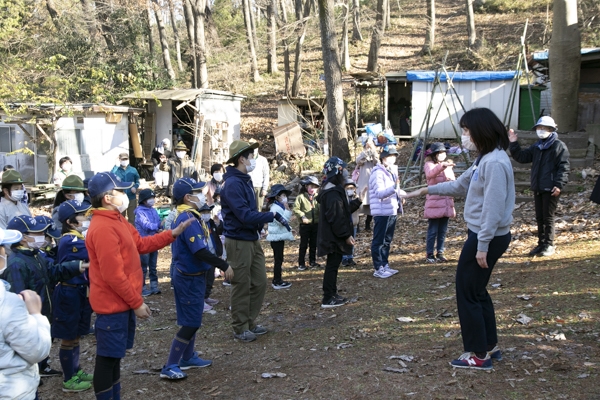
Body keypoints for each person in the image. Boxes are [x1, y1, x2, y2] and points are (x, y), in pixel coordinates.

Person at [402, 107, 514, 370]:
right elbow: (460, 185)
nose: (464, 136)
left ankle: (478, 355)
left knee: (467, 292)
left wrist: (482, 245)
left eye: (466, 131)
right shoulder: (484, 158)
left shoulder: (495, 162)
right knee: (477, 290)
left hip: (486, 236)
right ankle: (489, 345)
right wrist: (424, 191)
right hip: (482, 235)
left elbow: (493, 208)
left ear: (480, 131)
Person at [85, 172, 192, 399]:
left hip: (122, 303)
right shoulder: (103, 228)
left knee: (115, 357)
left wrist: (170, 235)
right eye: (120, 192)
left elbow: (140, 244)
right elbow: (113, 275)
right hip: (112, 305)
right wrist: (137, 303)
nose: (125, 195)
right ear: (107, 197)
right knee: (107, 359)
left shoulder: (118, 219)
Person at [160, 177, 233, 380]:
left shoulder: (191, 215)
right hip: (188, 277)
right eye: (199, 192)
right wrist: (223, 264)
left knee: (193, 319)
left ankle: (188, 357)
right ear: (188, 197)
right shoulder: (187, 219)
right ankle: (171, 364)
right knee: (190, 322)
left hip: (195, 275)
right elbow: (199, 250)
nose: (204, 195)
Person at [2, 215, 87, 378]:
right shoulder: (16, 263)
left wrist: (78, 266)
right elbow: (17, 298)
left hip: (44, 313)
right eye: (37, 233)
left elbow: (53, 272)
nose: (42, 236)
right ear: (23, 237)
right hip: (29, 319)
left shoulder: (36, 255)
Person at [221, 140, 288, 342]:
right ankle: (240, 327)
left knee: (259, 282)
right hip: (238, 240)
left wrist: (259, 226)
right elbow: (244, 215)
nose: (254, 160)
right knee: (241, 284)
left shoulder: (245, 180)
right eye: (251, 157)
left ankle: (250, 322)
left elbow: (251, 212)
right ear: (241, 159)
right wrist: (271, 217)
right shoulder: (232, 184)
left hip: (251, 238)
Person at [0, 227, 52, 400]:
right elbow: (37, 349)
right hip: (12, 391)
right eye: (3, 248)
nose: (6, 252)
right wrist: (36, 315)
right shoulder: (8, 303)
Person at [508, 116, 570, 257]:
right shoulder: (537, 146)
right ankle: (541, 244)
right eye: (538, 128)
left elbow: (564, 167)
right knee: (540, 217)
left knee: (548, 217)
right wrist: (513, 143)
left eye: (544, 128)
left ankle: (549, 244)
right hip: (538, 187)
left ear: (551, 129)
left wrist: (559, 184)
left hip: (551, 188)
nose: (540, 131)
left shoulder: (558, 145)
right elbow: (522, 157)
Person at [53, 200, 94, 392]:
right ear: (70, 222)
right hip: (69, 293)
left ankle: (75, 370)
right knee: (68, 337)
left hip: (79, 292)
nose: (87, 218)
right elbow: (94, 253)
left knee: (77, 335)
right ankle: (69, 379)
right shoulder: (71, 241)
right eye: (83, 215)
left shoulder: (78, 238)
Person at [317, 157, 361, 308]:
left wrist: (357, 202)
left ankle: (333, 293)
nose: (347, 173)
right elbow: (336, 217)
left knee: (334, 265)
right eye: (344, 169)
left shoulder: (334, 190)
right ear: (337, 172)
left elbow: (343, 211)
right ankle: (328, 297)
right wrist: (346, 235)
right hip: (333, 237)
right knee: (332, 266)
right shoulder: (331, 194)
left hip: (334, 235)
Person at [369, 147, 403, 279]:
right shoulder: (377, 172)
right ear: (383, 158)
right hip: (381, 211)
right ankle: (378, 267)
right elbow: (379, 193)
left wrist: (400, 197)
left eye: (394, 156)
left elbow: (395, 191)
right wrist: (394, 188)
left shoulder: (392, 171)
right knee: (379, 240)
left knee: (387, 240)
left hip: (391, 210)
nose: (393, 159)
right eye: (390, 156)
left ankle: (385, 264)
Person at [423, 142, 456, 263]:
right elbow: (430, 175)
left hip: (446, 201)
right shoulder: (429, 164)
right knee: (433, 230)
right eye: (440, 153)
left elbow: (452, 181)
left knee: (443, 230)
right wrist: (442, 166)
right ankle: (429, 253)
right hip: (434, 202)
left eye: (444, 153)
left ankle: (440, 252)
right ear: (435, 154)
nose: (442, 155)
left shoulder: (447, 165)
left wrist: (448, 169)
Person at [265, 184, 294, 290]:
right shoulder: (275, 208)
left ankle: (278, 279)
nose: (284, 197)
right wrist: (287, 209)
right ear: (277, 197)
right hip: (275, 238)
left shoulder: (278, 207)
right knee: (278, 259)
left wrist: (290, 228)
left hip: (278, 236)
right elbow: (283, 221)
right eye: (282, 195)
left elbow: (284, 223)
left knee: (279, 259)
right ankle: (277, 281)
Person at [134, 189, 162, 297]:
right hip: (144, 243)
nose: (152, 200)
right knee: (143, 267)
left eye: (152, 198)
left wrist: (161, 226)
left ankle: (154, 286)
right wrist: (158, 226)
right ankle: (142, 288)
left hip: (154, 241)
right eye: (149, 198)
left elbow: (158, 222)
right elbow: (146, 225)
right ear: (143, 200)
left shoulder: (153, 210)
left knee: (153, 266)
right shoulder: (140, 212)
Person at [197, 203, 224, 311]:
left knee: (210, 277)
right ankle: (201, 299)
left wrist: (219, 224)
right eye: (204, 213)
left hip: (213, 253)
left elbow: (220, 232)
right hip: (204, 254)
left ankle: (206, 296)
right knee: (203, 277)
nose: (206, 215)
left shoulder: (211, 222)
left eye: (208, 212)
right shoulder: (197, 224)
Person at [292, 176, 320, 271]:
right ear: (306, 186)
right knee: (303, 244)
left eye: (315, 187)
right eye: (310, 187)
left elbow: (321, 209)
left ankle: (312, 261)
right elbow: (296, 209)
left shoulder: (318, 198)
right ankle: (301, 263)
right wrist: (302, 216)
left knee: (314, 244)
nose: (312, 189)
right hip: (305, 225)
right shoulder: (301, 197)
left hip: (316, 224)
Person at [355, 137, 379, 231]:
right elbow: (358, 161)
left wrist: (373, 152)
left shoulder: (375, 154)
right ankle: (357, 225)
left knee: (371, 204)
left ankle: (367, 224)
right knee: (360, 202)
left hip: (372, 182)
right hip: (362, 181)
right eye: (367, 144)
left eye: (371, 144)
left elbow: (378, 162)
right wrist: (365, 153)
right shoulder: (362, 154)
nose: (368, 145)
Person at [110, 153, 140, 224]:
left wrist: (135, 187)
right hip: (120, 197)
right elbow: (111, 176)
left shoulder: (133, 170)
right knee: (121, 218)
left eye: (126, 159)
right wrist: (115, 165)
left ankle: (131, 234)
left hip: (131, 196)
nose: (125, 160)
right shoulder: (116, 170)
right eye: (123, 159)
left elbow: (137, 181)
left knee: (132, 218)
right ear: (120, 160)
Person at [247, 138, 270, 211]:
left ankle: (258, 223)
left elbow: (266, 174)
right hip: (247, 186)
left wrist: (264, 188)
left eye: (255, 147)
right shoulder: (245, 159)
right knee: (248, 207)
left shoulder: (263, 160)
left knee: (258, 208)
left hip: (258, 187)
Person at [341, 179, 360, 267]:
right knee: (345, 242)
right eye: (347, 188)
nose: (350, 189)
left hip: (354, 223)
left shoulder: (357, 197)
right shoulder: (343, 199)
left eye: (352, 188)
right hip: (345, 224)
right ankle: (344, 258)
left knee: (352, 241)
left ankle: (350, 257)